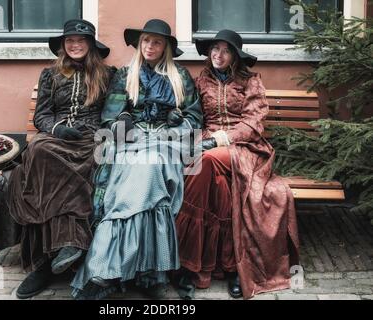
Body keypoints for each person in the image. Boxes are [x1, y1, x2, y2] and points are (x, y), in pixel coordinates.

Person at [70, 19, 202, 300]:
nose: (150, 46)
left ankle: (106, 271)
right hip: (131, 140)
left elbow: (194, 117)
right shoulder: (126, 74)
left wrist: (178, 121)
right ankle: (150, 275)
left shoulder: (180, 75)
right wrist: (125, 117)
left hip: (168, 141)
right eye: (146, 41)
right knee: (128, 182)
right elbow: (110, 115)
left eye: (156, 42)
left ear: (165, 46)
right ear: (139, 44)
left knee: (151, 168)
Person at [174, 30, 300, 299]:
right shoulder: (201, 81)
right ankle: (228, 267)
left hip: (244, 148)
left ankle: (188, 264)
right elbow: (193, 114)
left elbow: (253, 124)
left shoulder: (251, 81)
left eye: (225, 50)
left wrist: (218, 141)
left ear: (235, 56)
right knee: (219, 186)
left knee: (204, 161)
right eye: (214, 49)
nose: (218, 55)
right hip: (207, 147)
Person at [3, 19, 115, 299]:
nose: (75, 45)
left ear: (90, 44)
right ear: (64, 46)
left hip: (91, 139)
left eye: (80, 40)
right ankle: (57, 253)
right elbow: (41, 115)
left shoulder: (108, 74)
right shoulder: (49, 74)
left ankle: (54, 259)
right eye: (70, 41)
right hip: (56, 137)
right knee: (40, 151)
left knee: (92, 160)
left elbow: (113, 111)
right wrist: (57, 128)